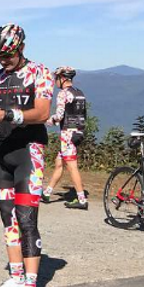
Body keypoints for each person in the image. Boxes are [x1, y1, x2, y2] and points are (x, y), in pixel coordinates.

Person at [0, 24, 53, 287]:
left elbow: (43, 113)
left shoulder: (40, 72)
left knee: (27, 219)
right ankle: (16, 277)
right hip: (2, 151)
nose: (2, 61)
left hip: (29, 151)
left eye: (7, 55)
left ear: (20, 48)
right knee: (8, 218)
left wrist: (6, 114)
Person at [43, 66, 88, 209]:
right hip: (78, 132)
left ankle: (81, 199)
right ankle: (47, 192)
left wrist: (48, 120)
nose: (55, 81)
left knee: (71, 166)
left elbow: (60, 115)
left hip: (67, 133)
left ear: (62, 78)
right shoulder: (79, 93)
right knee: (59, 163)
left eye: (56, 78)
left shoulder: (63, 94)